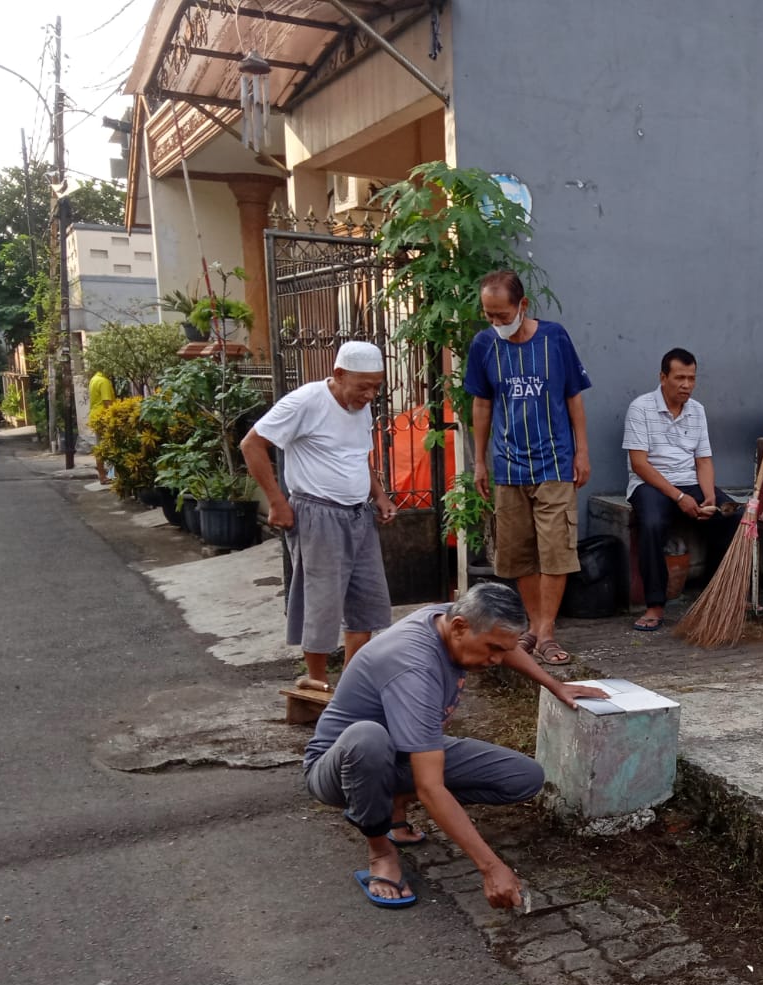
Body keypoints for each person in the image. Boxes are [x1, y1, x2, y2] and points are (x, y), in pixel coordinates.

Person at [303, 583, 607, 908]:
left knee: (524, 777)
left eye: (502, 650)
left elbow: (503, 644)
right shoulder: (413, 667)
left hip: (403, 751)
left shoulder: (451, 618)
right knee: (369, 739)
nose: (496, 659)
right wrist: (491, 868)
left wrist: (555, 685)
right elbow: (431, 786)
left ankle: (392, 801)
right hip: (338, 769)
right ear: (460, 627)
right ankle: (380, 849)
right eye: (491, 648)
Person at [241, 341, 399, 693]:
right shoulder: (307, 401)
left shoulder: (361, 406)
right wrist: (277, 502)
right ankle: (315, 681)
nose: (371, 394)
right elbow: (251, 444)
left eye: (377, 386)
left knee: (366, 601)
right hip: (318, 514)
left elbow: (358, 457)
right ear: (339, 375)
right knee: (322, 599)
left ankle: (350, 686)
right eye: (364, 386)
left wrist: (380, 496)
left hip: (359, 515)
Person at [464, 270, 593, 668]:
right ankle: (534, 628)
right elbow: (482, 405)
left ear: (523, 306)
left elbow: (573, 396)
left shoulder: (555, 338)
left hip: (554, 463)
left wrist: (582, 451)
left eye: (502, 315)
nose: (496, 323)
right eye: (489, 316)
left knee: (556, 551)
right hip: (507, 466)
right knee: (519, 553)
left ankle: (548, 632)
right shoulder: (484, 345)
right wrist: (480, 460)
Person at [622, 348, 739, 631]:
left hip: (690, 481)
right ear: (663, 377)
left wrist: (708, 493)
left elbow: (704, 460)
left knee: (732, 516)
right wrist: (679, 496)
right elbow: (639, 464)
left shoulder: (697, 410)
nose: (686, 385)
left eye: (692, 378)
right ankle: (655, 605)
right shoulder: (641, 408)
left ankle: (714, 594)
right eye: (680, 378)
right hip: (651, 483)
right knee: (651, 524)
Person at [88, 369, 115, 484]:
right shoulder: (104, 381)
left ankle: (102, 475)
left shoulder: (94, 379)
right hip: (104, 417)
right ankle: (109, 475)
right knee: (109, 447)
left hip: (95, 416)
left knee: (100, 447)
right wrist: (114, 417)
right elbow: (107, 402)